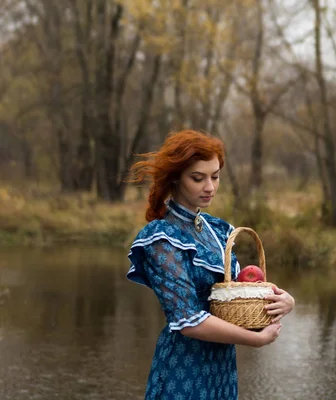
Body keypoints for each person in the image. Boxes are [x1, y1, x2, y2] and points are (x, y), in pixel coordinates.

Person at [126, 129, 295, 400]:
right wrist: (256, 339)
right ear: (175, 179)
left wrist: (284, 300)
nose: (210, 187)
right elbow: (187, 320)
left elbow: (240, 290)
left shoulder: (217, 230)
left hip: (221, 366)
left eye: (215, 176)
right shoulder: (162, 237)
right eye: (198, 178)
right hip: (183, 366)